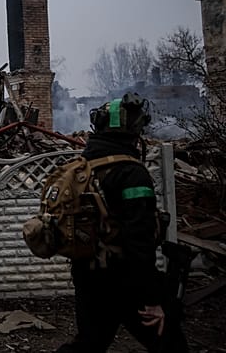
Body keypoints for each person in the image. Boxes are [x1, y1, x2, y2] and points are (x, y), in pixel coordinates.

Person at [57, 92, 188, 352]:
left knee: (88, 345)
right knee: (171, 345)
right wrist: (152, 299)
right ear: (133, 130)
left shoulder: (83, 167)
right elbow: (138, 241)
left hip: (87, 275)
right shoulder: (131, 173)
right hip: (125, 280)